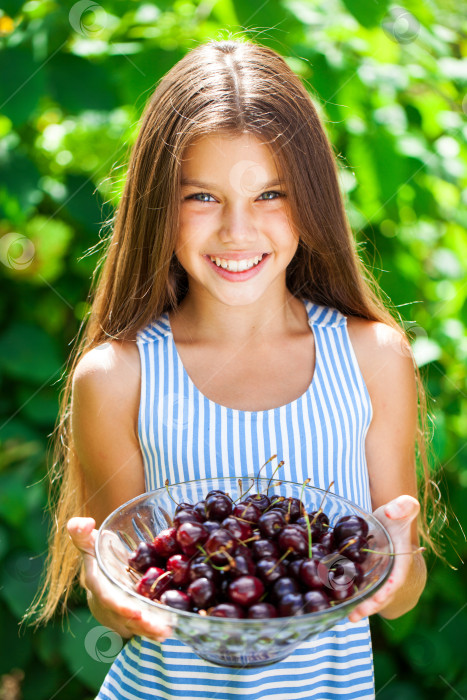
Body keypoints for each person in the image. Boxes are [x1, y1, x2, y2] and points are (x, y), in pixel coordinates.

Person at [26, 38, 434, 699]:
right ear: (158, 205)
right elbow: (121, 597)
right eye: (202, 198)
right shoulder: (119, 376)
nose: (237, 232)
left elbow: (399, 592)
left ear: (312, 200)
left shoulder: (369, 358)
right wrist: (111, 594)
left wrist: (395, 558)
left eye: (269, 194)